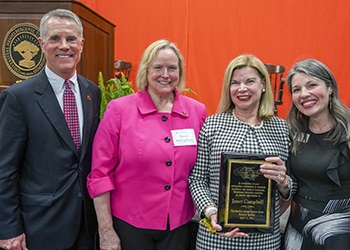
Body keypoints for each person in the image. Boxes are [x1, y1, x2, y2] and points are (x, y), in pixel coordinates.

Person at [87, 39, 207, 250]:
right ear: (146, 70)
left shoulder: (196, 112)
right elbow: (100, 175)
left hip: (178, 226)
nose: (165, 74)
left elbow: (205, 167)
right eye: (158, 67)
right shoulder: (119, 110)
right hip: (130, 225)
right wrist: (106, 231)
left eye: (172, 68)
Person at [0, 9, 100, 250]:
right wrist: (9, 228)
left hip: (86, 225)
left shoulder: (92, 92)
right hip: (40, 227)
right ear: (42, 44)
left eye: (71, 39)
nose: (64, 46)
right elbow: (4, 170)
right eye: (55, 38)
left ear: (82, 44)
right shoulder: (17, 97)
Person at [188, 54, 291, 250]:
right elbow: (197, 179)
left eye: (249, 81)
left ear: (263, 84)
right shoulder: (212, 124)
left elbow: (290, 185)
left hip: (264, 241)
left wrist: (284, 183)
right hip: (217, 237)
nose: (242, 88)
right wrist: (210, 212)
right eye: (235, 83)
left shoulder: (281, 128)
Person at [283, 59, 350, 250]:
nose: (304, 94)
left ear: (329, 88)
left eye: (312, 85)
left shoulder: (348, 129)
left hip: (339, 229)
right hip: (298, 226)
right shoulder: (293, 132)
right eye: (296, 89)